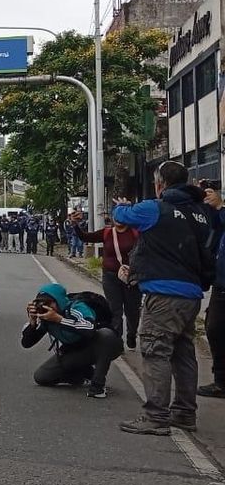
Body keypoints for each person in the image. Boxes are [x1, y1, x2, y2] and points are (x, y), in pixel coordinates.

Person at [113, 160, 214, 436]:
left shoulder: (155, 208)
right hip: (192, 293)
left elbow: (121, 216)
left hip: (163, 293)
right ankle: (184, 412)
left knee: (156, 350)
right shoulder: (202, 213)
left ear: (160, 184)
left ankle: (156, 416)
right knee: (183, 353)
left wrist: (121, 204)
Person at [22, 283, 122, 398]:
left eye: (49, 303)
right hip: (76, 351)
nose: (46, 307)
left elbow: (89, 328)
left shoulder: (76, 307)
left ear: (59, 301)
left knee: (106, 334)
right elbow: (27, 343)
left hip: (103, 346)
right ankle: (84, 373)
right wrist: (33, 322)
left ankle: (98, 385)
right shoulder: (47, 319)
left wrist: (60, 319)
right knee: (41, 376)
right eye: (41, 303)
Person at [71, 209, 142, 349]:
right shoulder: (107, 232)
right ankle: (117, 341)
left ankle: (131, 334)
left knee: (132, 310)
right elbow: (86, 237)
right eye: (116, 216)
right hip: (110, 276)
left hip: (132, 278)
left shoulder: (136, 232)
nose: (118, 219)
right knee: (115, 310)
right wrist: (75, 224)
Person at [200, 180, 225, 399]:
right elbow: (215, 227)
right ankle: (221, 381)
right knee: (214, 329)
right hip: (220, 284)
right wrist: (211, 206)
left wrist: (220, 206)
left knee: (216, 329)